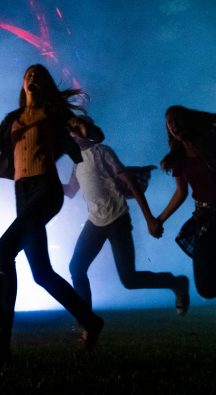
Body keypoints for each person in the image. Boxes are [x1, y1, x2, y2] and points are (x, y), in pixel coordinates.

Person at [0, 64, 105, 362]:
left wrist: (85, 129)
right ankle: (90, 321)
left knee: (3, 251)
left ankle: (1, 343)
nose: (32, 78)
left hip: (46, 190)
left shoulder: (52, 112)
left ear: (45, 86)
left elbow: (82, 128)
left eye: (39, 76)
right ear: (23, 84)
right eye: (29, 74)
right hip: (22, 195)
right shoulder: (13, 119)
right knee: (41, 273)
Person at [149, 106, 216, 353]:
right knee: (206, 288)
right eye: (169, 123)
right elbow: (181, 192)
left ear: (188, 121)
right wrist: (160, 219)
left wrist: (213, 157)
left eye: (177, 121)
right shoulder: (178, 157)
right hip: (205, 219)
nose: (174, 126)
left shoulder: (214, 143)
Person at [63, 115, 190, 314]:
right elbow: (71, 190)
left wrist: (149, 218)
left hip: (117, 220)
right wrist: (40, 181)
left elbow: (130, 182)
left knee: (129, 280)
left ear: (87, 130)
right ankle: (87, 321)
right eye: (70, 128)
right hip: (95, 222)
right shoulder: (76, 160)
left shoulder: (102, 152)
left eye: (76, 126)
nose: (72, 131)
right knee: (76, 269)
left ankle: (177, 283)